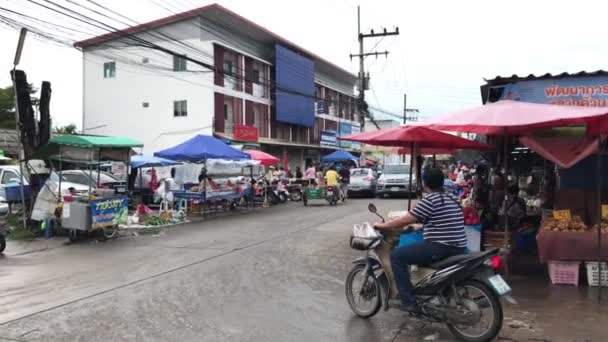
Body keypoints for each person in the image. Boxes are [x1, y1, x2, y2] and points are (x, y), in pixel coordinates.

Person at [373, 168, 467, 312]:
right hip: (458, 245)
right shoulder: (452, 198)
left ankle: (408, 301)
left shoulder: (431, 200)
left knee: (397, 256)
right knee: (415, 251)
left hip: (440, 246)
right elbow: (444, 220)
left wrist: (383, 225)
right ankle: (425, 291)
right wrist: (420, 227)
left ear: (424, 183)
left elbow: (404, 220)